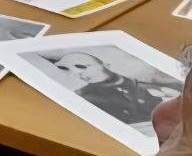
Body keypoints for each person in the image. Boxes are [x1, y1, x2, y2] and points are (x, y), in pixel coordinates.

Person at [52, 52, 180, 125]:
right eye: (68, 69)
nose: (76, 73)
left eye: (82, 66)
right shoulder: (83, 96)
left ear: (106, 65)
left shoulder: (148, 85)